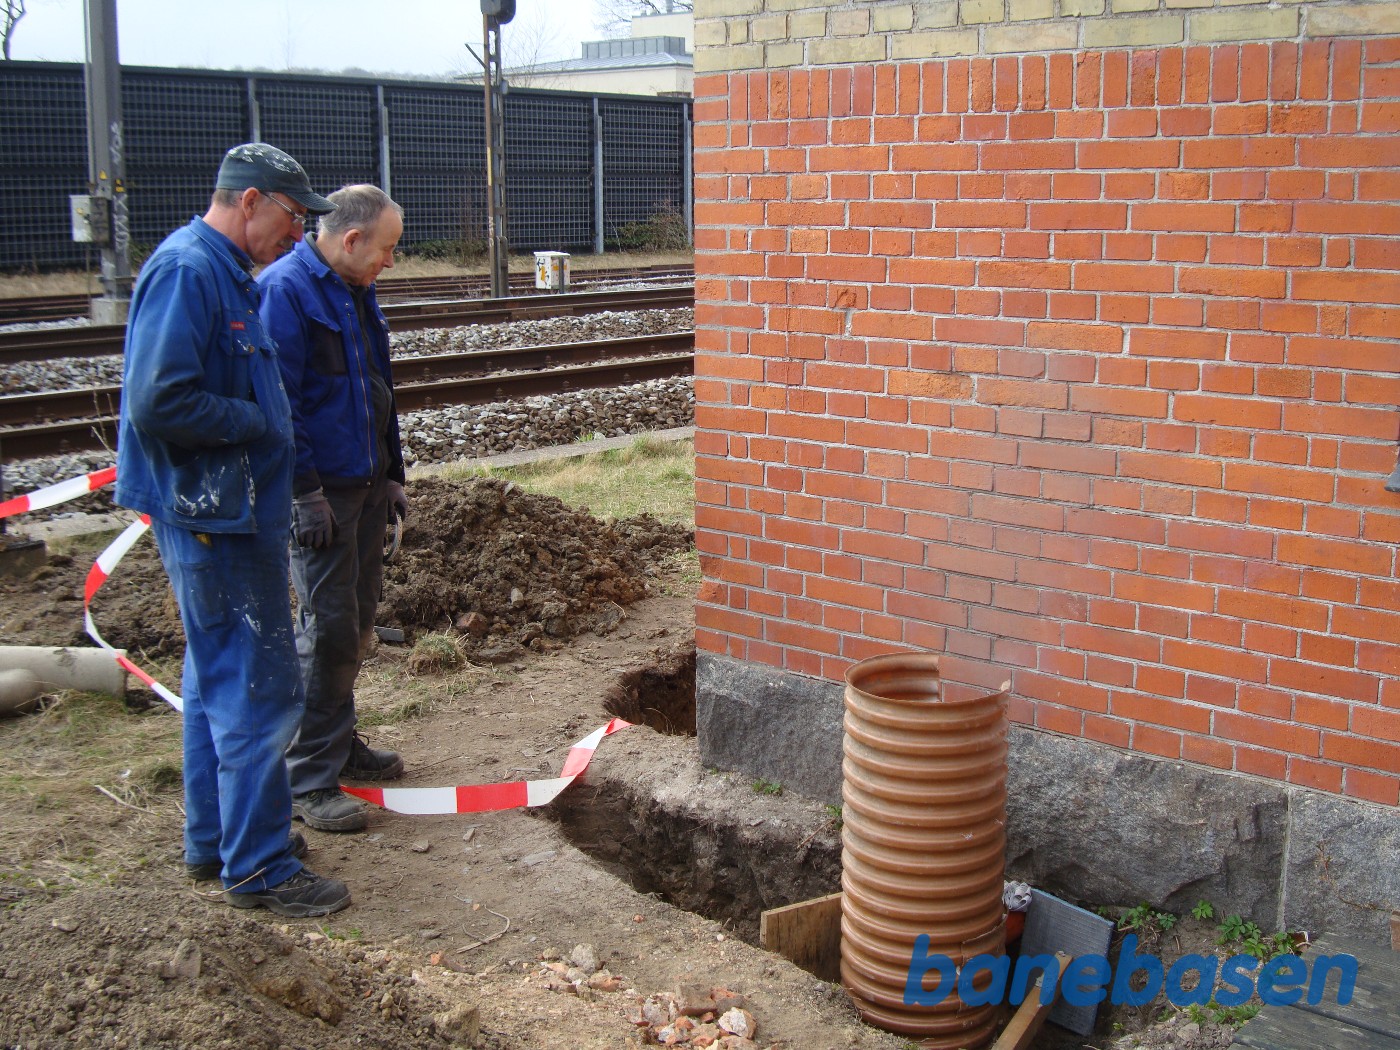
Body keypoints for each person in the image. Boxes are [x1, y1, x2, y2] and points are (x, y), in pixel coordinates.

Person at [114, 143, 351, 917]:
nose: (298, 233)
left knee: (214, 679)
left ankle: (216, 841)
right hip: (216, 516)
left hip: (226, 511)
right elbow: (159, 400)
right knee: (259, 689)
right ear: (250, 200)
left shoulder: (223, 271)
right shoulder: (190, 272)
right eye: (292, 216)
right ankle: (259, 868)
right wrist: (259, 421)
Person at [258, 184, 409, 833]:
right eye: (387, 249)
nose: (391, 262)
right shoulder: (286, 292)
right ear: (350, 240)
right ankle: (309, 778)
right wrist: (304, 493)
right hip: (324, 493)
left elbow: (378, 386)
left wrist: (393, 472)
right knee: (325, 632)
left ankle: (338, 743)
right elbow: (279, 404)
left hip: (365, 484)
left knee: (357, 622)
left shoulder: (355, 287)